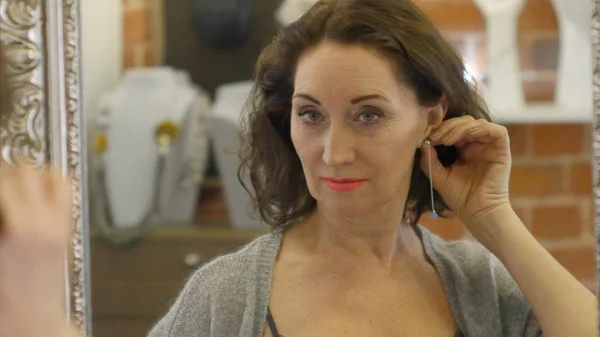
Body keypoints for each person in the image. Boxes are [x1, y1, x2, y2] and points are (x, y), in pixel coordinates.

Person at [0, 0, 596, 336]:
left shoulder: (477, 285)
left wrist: (492, 217)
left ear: (431, 115)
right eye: (311, 115)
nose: (333, 152)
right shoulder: (226, 298)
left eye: (368, 116)